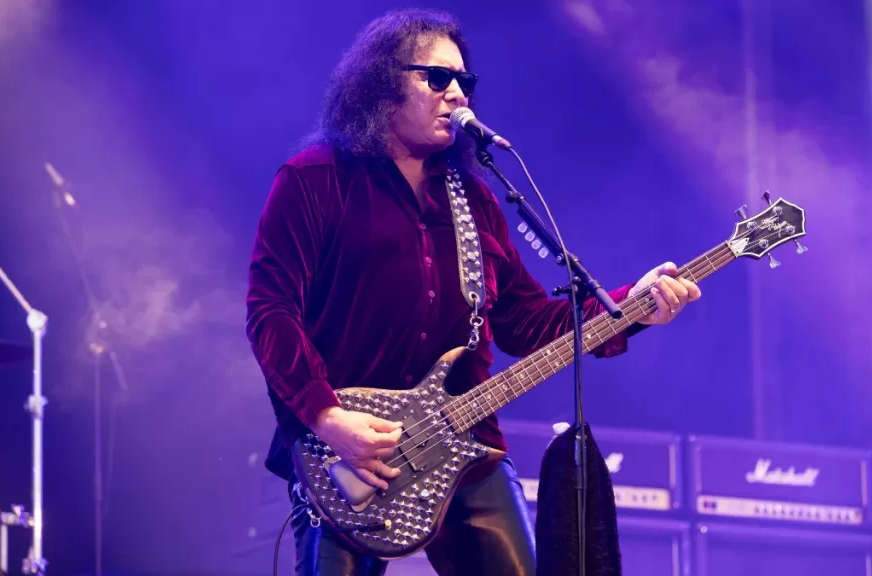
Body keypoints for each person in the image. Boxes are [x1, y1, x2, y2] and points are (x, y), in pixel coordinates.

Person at [245, 8, 701, 576]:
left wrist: (631, 306)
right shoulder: (315, 178)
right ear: (383, 84)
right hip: (350, 453)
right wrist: (327, 417)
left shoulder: (474, 199)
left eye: (465, 81)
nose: (459, 94)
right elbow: (271, 312)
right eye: (438, 78)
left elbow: (527, 322)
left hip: (465, 446)